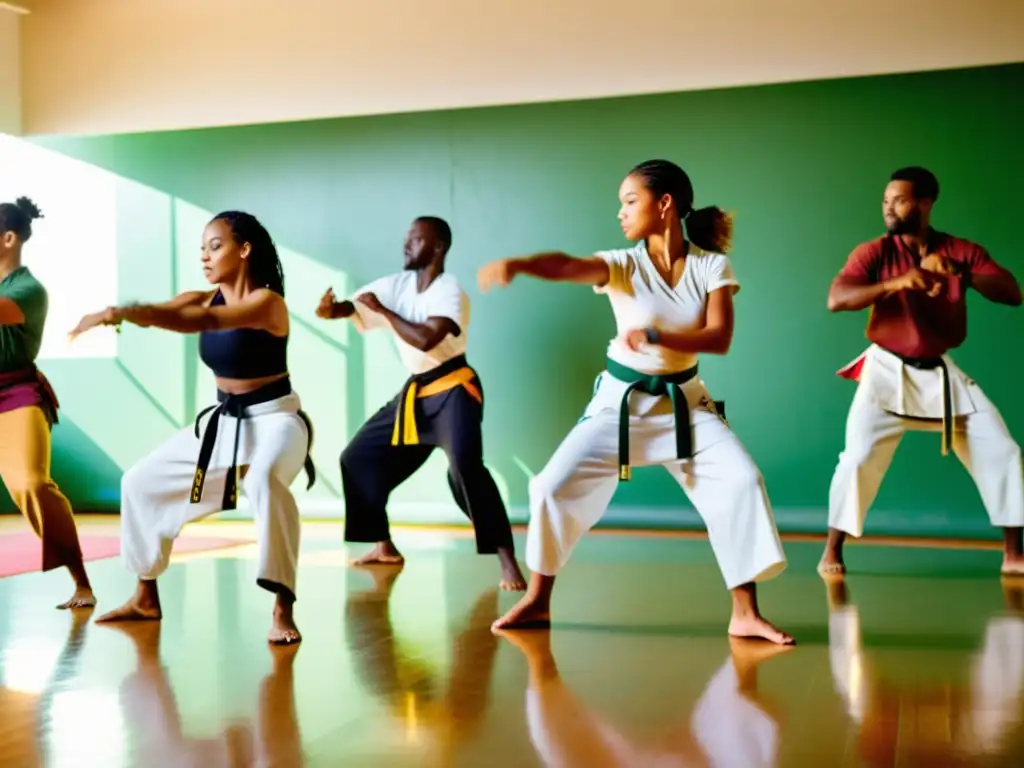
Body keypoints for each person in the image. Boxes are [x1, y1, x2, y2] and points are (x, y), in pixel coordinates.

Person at [478, 160, 793, 644]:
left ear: (664, 204)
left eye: (630, 201)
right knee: (549, 487)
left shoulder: (712, 266)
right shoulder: (622, 264)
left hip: (687, 405)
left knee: (742, 481)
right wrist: (521, 265)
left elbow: (719, 337)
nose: (621, 213)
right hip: (619, 405)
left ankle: (744, 612)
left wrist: (658, 334)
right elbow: (568, 264)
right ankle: (538, 600)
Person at [69, 211, 315, 644]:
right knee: (139, 482)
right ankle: (145, 595)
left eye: (215, 245)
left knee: (264, 480)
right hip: (225, 421)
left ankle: (282, 606)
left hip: (277, 420)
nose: (205, 256)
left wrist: (117, 312)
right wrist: (120, 313)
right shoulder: (201, 297)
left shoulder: (268, 303)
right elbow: (168, 312)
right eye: (202, 247)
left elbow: (207, 323)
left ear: (244, 249)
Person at [821, 166, 1023, 577]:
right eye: (885, 200)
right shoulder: (874, 252)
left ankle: (1014, 554)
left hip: (940, 373)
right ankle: (832, 550)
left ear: (926, 202)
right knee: (858, 458)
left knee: (1003, 452)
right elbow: (837, 298)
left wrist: (959, 271)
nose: (889, 208)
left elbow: (1012, 292)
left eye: (899, 200)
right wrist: (896, 284)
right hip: (885, 369)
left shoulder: (960, 250)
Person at [316, 216, 527, 590]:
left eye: (415, 239)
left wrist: (384, 313)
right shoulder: (396, 285)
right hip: (416, 394)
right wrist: (335, 310)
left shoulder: (450, 292)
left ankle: (507, 560)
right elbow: (357, 307)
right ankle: (384, 547)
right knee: (358, 457)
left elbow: (427, 339)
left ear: (438, 247)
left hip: (453, 390)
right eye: (407, 238)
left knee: (465, 468)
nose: (406, 245)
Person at [0, 196, 96, 610]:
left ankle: (81, 582)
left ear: (8, 238)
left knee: (32, 484)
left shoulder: (28, 289)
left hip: (16, 394)